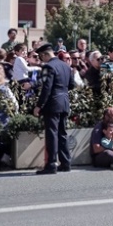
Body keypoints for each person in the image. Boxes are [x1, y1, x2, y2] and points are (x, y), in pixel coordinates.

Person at [33, 42, 76, 175]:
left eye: (41, 57)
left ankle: (51, 164)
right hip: (64, 102)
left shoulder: (48, 67)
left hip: (52, 104)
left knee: (52, 134)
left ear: (44, 55)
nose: (42, 60)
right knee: (62, 134)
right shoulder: (66, 66)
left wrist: (39, 105)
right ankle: (66, 163)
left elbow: (46, 88)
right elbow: (72, 85)